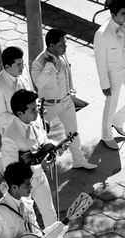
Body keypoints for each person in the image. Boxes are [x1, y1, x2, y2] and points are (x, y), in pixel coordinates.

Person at [0, 89, 81, 238]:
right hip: (22, 187)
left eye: (36, 108)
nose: (37, 112)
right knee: (32, 225)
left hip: (40, 178)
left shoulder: (35, 121)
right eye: (32, 110)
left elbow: (43, 142)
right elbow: (10, 170)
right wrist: (37, 166)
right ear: (20, 113)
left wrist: (52, 150)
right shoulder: (10, 137)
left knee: (50, 215)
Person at [31, 28, 97, 170]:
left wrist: (70, 91)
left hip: (66, 102)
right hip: (48, 106)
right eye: (62, 44)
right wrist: (49, 65)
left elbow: (68, 73)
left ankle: (78, 160)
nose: (65, 47)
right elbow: (39, 83)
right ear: (51, 46)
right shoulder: (39, 63)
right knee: (39, 137)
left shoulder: (62, 55)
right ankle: (37, 168)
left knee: (73, 132)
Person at [93, 0, 125, 150]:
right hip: (113, 73)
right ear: (113, 14)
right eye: (123, 13)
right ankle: (106, 135)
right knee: (110, 105)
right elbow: (100, 62)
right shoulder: (102, 34)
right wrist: (104, 84)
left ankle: (118, 121)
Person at [0, 46, 33, 135]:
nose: (22, 67)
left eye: (22, 63)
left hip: (32, 125)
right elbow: (0, 116)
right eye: (18, 64)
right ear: (7, 67)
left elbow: (31, 92)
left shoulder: (24, 71)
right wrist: (24, 120)